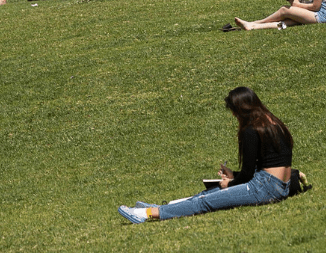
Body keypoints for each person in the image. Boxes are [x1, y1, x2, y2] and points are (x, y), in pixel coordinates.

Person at [117, 86, 293, 223]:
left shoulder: (251, 130)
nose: (233, 114)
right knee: (208, 193)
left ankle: (145, 214)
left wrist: (230, 183)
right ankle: (162, 207)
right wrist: (233, 177)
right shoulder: (274, 123)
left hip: (265, 188)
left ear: (241, 109)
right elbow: (271, 165)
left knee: (205, 202)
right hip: (278, 185)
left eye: (233, 111)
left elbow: (248, 175)